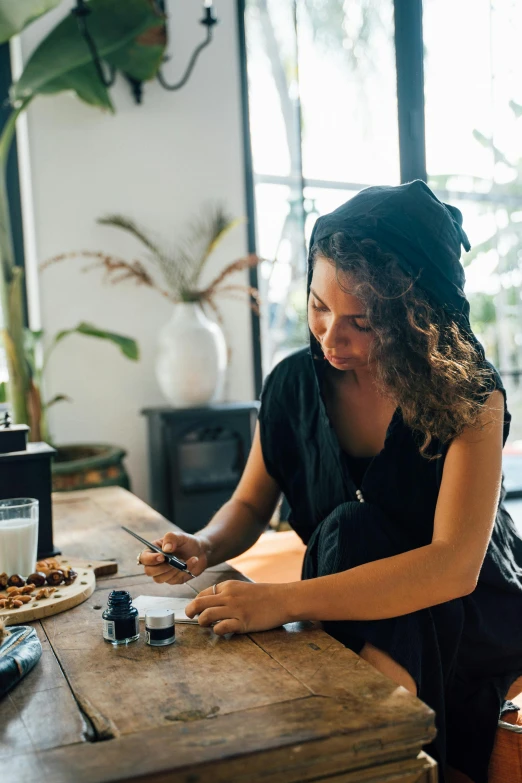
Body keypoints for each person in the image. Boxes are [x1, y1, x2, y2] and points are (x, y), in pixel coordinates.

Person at [138, 181, 522, 783]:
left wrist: (278, 601)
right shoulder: (293, 383)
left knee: (354, 527)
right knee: (351, 530)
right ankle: (380, 752)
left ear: (413, 315)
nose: (329, 337)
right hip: (346, 609)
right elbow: (247, 502)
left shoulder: (468, 395)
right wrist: (204, 545)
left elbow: (454, 566)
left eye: (361, 322)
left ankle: (378, 753)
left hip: (465, 616)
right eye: (319, 306)